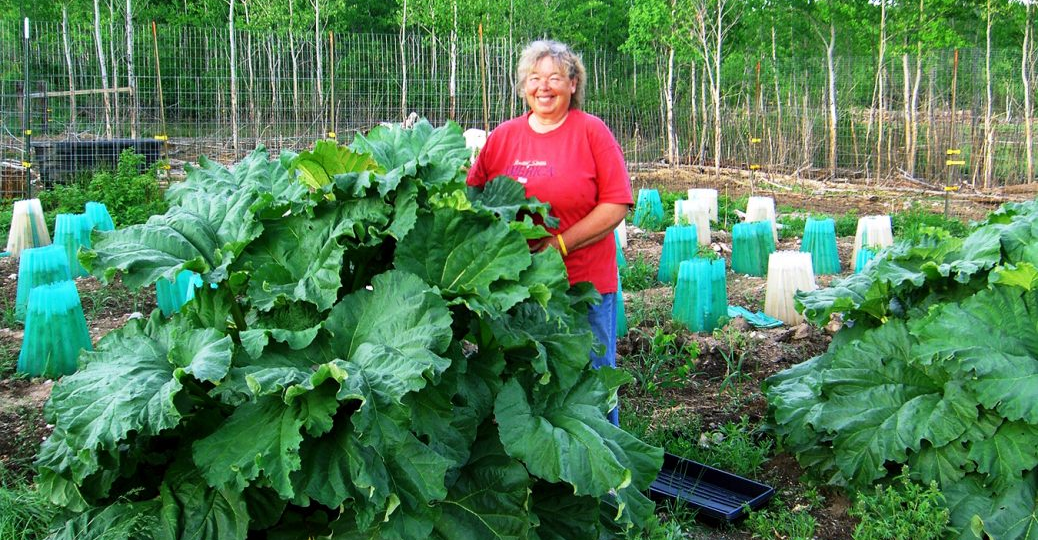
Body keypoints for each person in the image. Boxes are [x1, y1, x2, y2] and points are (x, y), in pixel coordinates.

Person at [466, 39, 633, 425]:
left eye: (555, 78)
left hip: (582, 285)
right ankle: (541, 476)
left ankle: (603, 475)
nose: (544, 87)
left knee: (591, 380)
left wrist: (559, 245)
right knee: (523, 381)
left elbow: (616, 204)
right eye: (534, 78)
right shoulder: (503, 137)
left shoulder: (592, 132)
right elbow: (474, 198)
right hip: (516, 284)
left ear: (573, 84)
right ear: (523, 86)